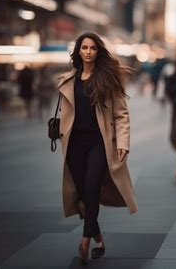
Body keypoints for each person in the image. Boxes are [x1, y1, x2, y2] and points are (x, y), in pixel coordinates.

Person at [57, 31, 137, 264]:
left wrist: (122, 143)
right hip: (73, 144)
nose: (88, 52)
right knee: (83, 193)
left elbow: (121, 115)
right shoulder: (68, 80)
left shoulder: (108, 79)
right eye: (84, 48)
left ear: (98, 51)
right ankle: (99, 239)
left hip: (99, 143)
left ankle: (84, 240)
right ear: (78, 51)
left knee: (92, 187)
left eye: (92, 48)